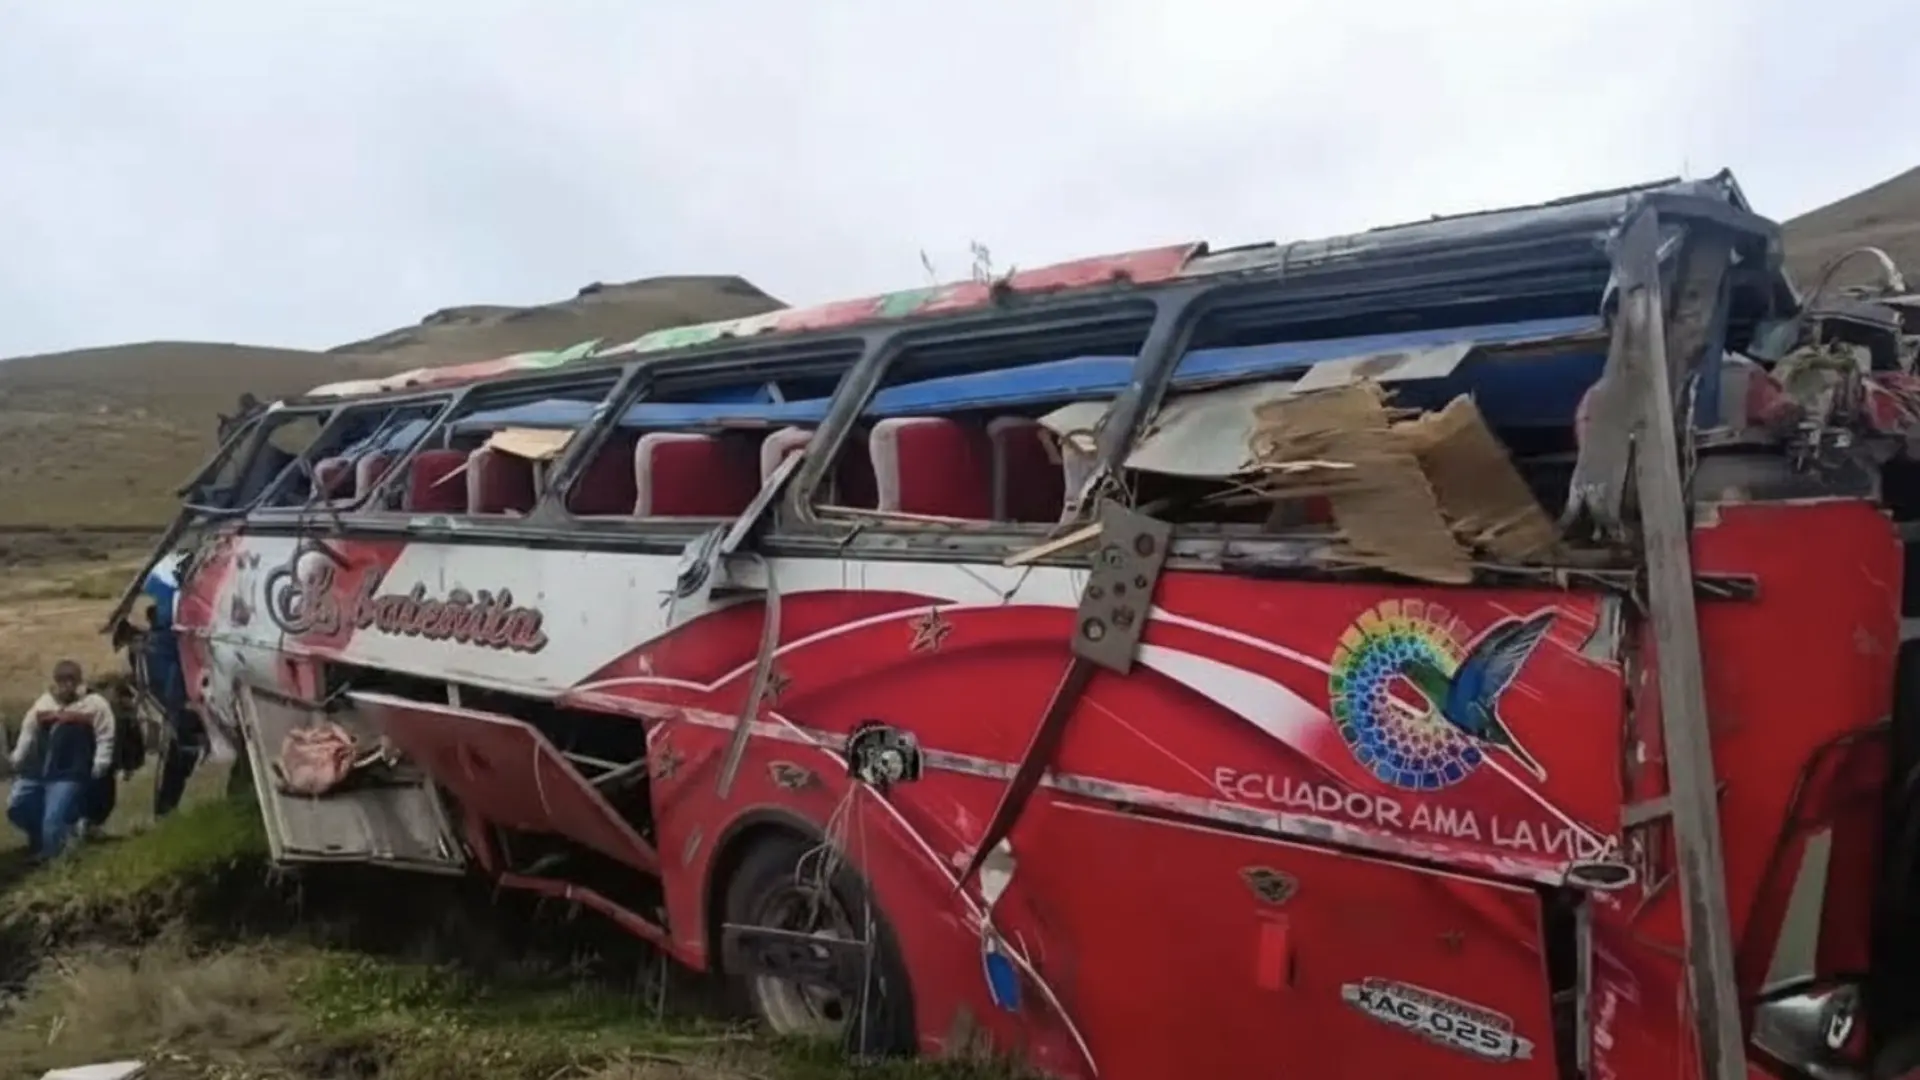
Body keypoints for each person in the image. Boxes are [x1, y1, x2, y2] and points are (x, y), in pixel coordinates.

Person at [9, 660, 116, 858]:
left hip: (69, 771)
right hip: (37, 769)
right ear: (56, 682)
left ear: (79, 681)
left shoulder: (94, 704)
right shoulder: (43, 704)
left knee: (53, 820)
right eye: (63, 681)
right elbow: (28, 733)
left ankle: (52, 859)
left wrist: (101, 761)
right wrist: (16, 759)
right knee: (18, 807)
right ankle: (40, 836)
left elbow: (105, 734)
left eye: (72, 681)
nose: (67, 685)